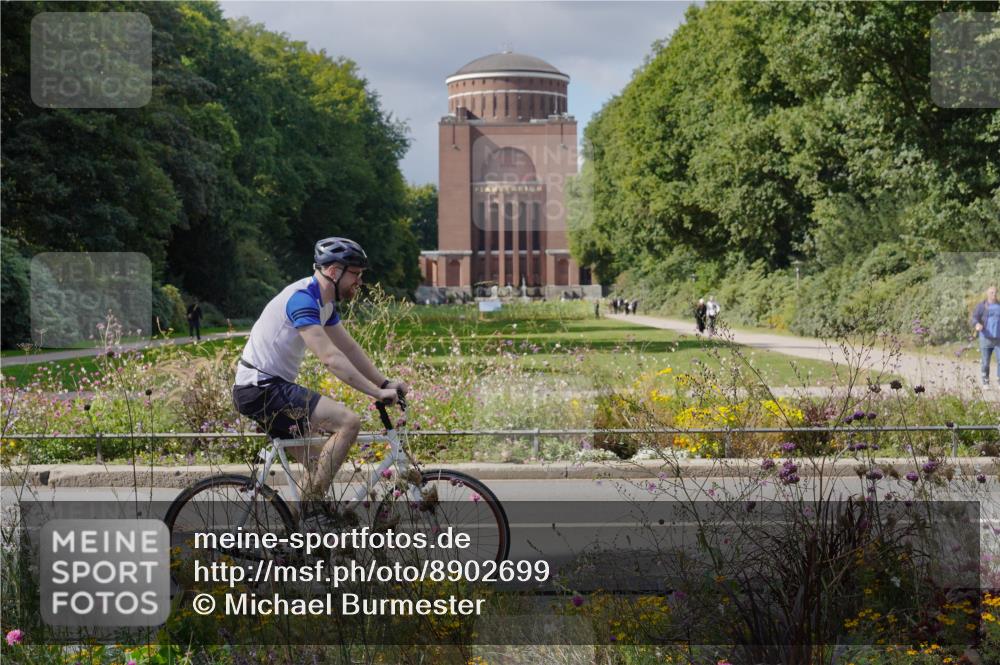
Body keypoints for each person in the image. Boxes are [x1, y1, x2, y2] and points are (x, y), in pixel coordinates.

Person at [231, 237, 408, 517]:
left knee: (317, 465)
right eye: (356, 273)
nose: (360, 281)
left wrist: (384, 383)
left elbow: (348, 348)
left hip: (269, 387)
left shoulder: (323, 303)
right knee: (348, 422)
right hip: (261, 388)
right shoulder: (302, 299)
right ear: (334, 271)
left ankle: (295, 530)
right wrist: (375, 393)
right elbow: (330, 357)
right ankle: (313, 515)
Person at [971, 285, 1000, 388]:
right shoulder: (982, 306)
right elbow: (974, 317)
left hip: (998, 339)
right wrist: (977, 324)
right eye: (992, 292)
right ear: (987, 294)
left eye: (995, 292)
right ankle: (985, 381)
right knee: (986, 361)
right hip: (985, 337)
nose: (994, 294)